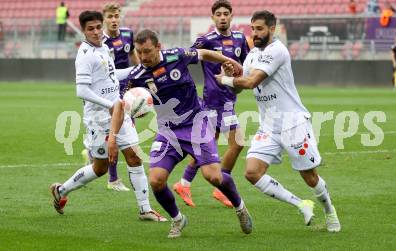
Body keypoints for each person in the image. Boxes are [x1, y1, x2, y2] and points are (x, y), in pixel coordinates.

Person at [108, 29, 253, 238]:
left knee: (213, 176)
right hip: (169, 131)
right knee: (156, 180)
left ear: (159, 46)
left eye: (147, 51)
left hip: (196, 124)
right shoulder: (137, 76)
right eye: (139, 52)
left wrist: (228, 60)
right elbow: (120, 106)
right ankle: (178, 219)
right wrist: (112, 138)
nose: (143, 57)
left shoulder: (177, 56)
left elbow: (202, 54)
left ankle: (240, 207)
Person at [215, 10, 341, 233]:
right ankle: (301, 204)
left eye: (260, 29)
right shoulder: (252, 54)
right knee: (252, 172)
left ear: (272, 29)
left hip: (293, 124)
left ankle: (330, 210)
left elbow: (252, 82)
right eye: (253, 29)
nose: (255, 33)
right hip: (269, 126)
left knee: (310, 177)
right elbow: (239, 87)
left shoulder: (278, 51)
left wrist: (226, 78)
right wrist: (231, 77)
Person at [50, 11, 166, 222]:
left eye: (97, 27)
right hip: (99, 118)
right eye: (90, 29)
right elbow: (81, 91)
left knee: (134, 156)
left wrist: (137, 70)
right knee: (100, 168)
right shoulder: (85, 55)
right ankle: (62, 190)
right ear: (83, 31)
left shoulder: (103, 47)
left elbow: (112, 76)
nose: (95, 32)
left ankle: (145, 209)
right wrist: (110, 105)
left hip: (119, 111)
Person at [172, 0, 249, 208]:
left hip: (229, 98)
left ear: (232, 16)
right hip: (214, 102)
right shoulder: (206, 40)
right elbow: (185, 57)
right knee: (238, 142)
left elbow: (247, 66)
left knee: (208, 146)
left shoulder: (241, 39)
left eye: (226, 13)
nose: (222, 17)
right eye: (218, 14)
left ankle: (184, 183)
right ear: (213, 17)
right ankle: (221, 187)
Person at [101, 2, 140, 191]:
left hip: (129, 89)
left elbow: (132, 53)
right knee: (115, 134)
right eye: (110, 17)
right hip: (111, 92)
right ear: (104, 20)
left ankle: (95, 154)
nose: (114, 20)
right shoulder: (101, 41)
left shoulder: (127, 34)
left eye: (116, 16)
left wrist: (140, 73)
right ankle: (113, 179)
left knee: (127, 131)